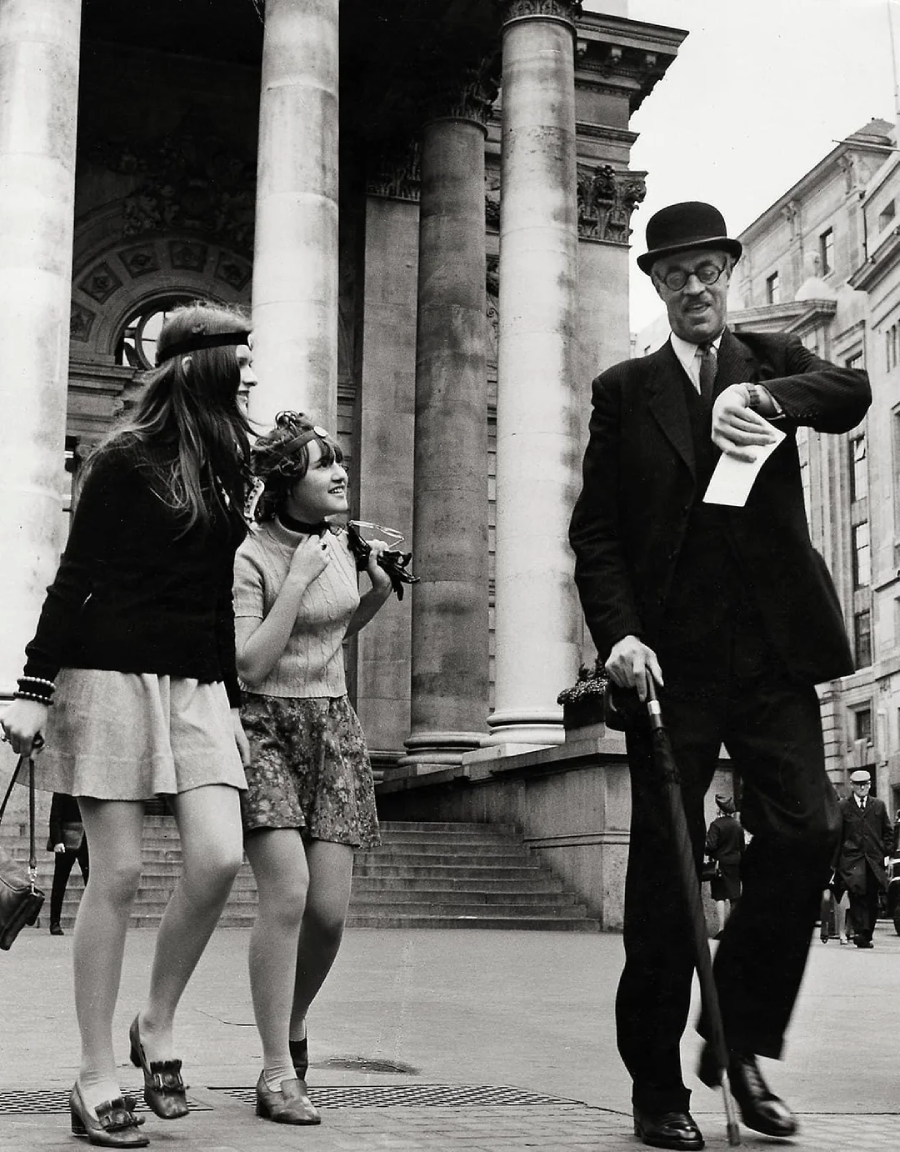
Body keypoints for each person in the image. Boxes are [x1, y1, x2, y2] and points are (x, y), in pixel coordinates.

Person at [569, 201, 870, 1151]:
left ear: (729, 274)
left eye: (709, 271)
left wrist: (770, 404)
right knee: (665, 876)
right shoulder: (625, 390)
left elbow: (853, 390)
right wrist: (617, 635)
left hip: (774, 654)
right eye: (676, 275)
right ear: (655, 286)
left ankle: (734, 1037)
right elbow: (598, 534)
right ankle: (657, 1086)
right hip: (671, 667)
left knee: (811, 827)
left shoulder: (773, 363)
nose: (695, 288)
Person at [0, 301, 256, 1148]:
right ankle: (94, 1071)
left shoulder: (229, 463)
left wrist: (231, 702)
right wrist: (34, 683)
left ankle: (157, 1019)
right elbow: (75, 576)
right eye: (240, 360)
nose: (251, 373)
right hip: (107, 676)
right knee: (114, 874)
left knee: (219, 856)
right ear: (199, 366)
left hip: (195, 686)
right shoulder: (121, 459)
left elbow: (215, 599)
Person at [233, 411, 395, 1126]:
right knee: (288, 896)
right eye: (322, 464)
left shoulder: (342, 544)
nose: (339, 473)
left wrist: (376, 594)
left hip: (332, 726)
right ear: (284, 482)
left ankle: (293, 1025)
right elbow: (249, 664)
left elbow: (333, 631)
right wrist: (295, 579)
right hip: (263, 725)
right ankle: (274, 1072)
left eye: (339, 461)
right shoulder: (250, 555)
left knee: (328, 913)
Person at [834, 769, 892, 949]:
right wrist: (837, 861)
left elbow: (888, 832)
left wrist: (885, 853)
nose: (862, 788)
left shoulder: (879, 806)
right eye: (858, 784)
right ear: (852, 785)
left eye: (865, 784)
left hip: (873, 860)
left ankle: (866, 932)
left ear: (870, 785)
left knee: (872, 897)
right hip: (852, 860)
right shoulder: (843, 806)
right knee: (857, 894)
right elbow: (837, 835)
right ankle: (861, 932)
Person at [47, 791, 90, 935]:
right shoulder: (62, 789)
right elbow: (55, 817)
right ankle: (55, 922)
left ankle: (91, 923)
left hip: (87, 840)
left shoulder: (90, 786)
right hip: (67, 840)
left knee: (91, 883)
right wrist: (57, 841)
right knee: (59, 883)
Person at [704, 794, 744, 939]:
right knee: (734, 896)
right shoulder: (737, 825)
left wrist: (709, 852)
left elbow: (711, 845)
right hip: (735, 863)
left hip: (720, 864)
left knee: (720, 895)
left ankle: (721, 929)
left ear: (719, 809)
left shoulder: (716, 825)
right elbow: (741, 846)